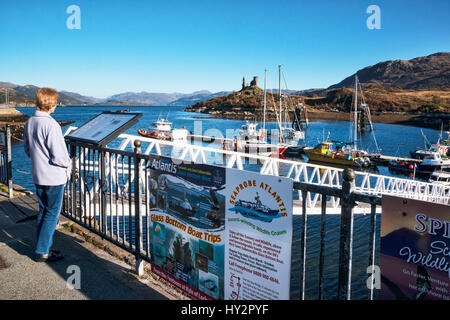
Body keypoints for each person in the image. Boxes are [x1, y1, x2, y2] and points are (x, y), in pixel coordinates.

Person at [24, 88, 71, 262]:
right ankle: (43, 251)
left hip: (38, 174)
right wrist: (69, 162)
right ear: (51, 104)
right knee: (52, 214)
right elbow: (59, 156)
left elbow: (28, 149)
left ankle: (41, 247)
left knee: (43, 211)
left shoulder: (30, 121)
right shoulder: (51, 125)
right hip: (53, 177)